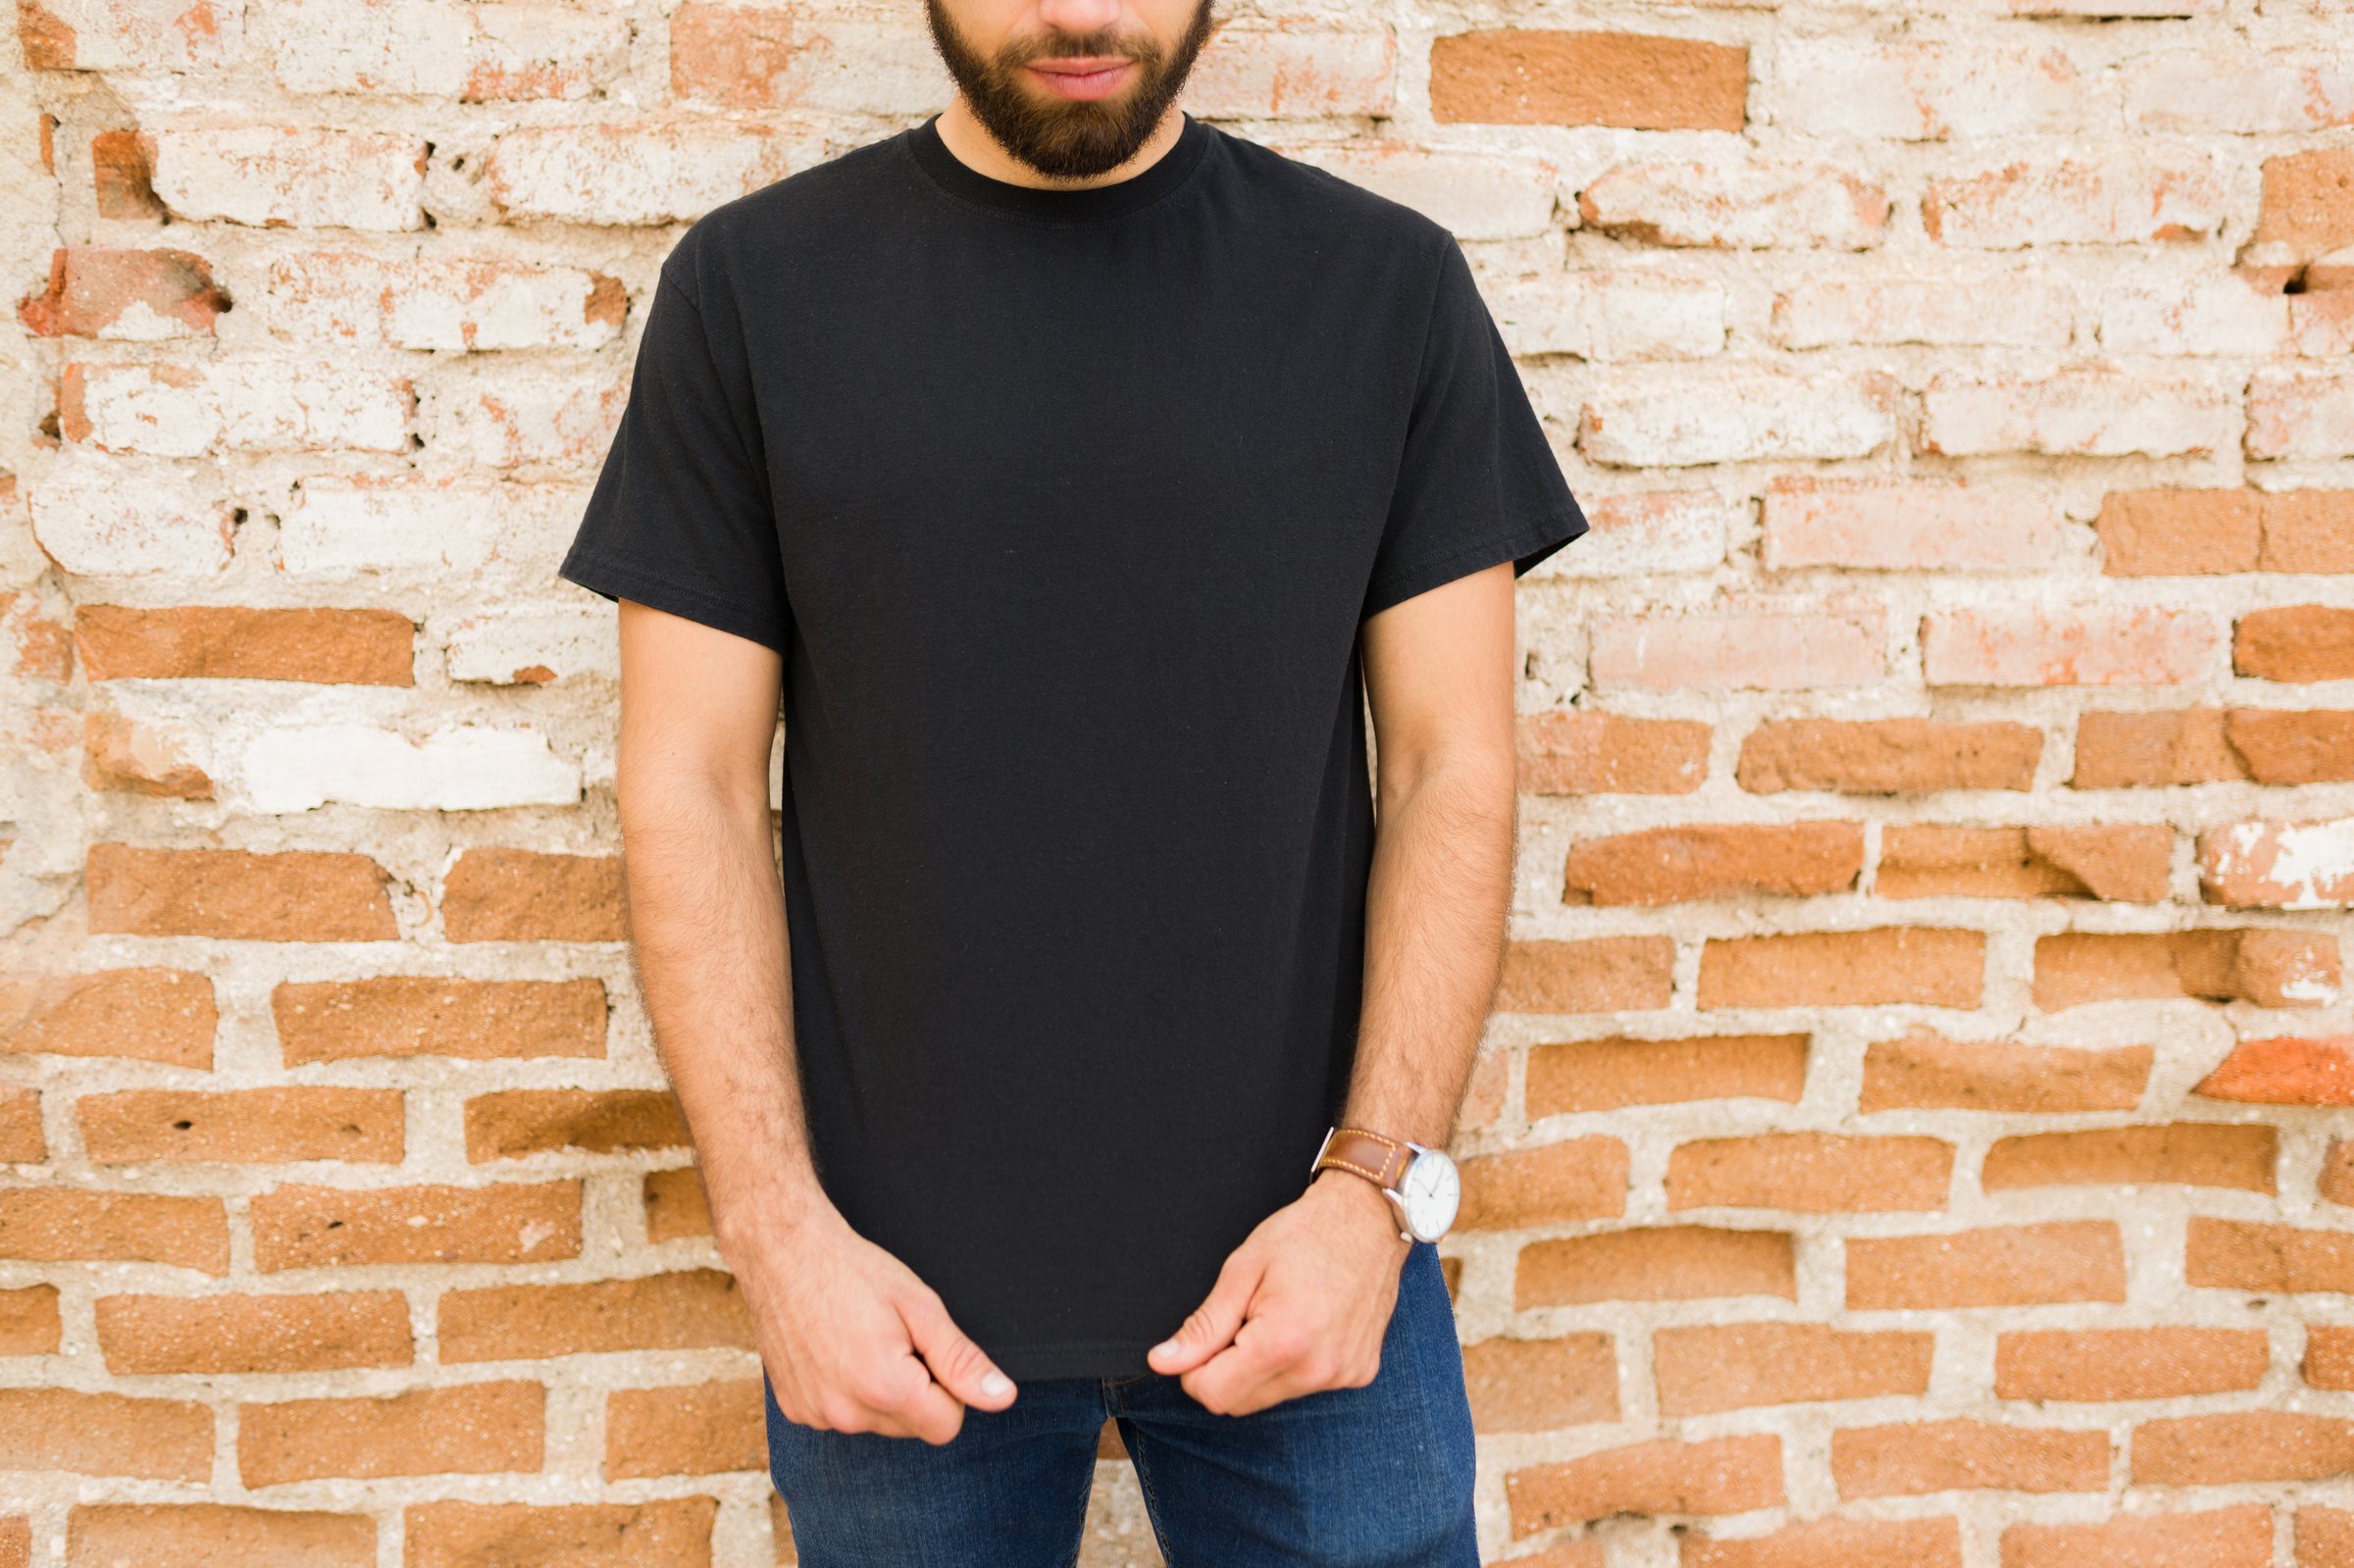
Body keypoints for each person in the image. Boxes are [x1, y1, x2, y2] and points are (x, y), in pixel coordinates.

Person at [555, 0, 1589, 1560]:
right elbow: (687, 783)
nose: (1081, 10)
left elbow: (1454, 764)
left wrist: (1371, 1200)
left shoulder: (1383, 287)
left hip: (1307, 1251)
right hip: (893, 1285)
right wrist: (777, 1241)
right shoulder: (755, 291)